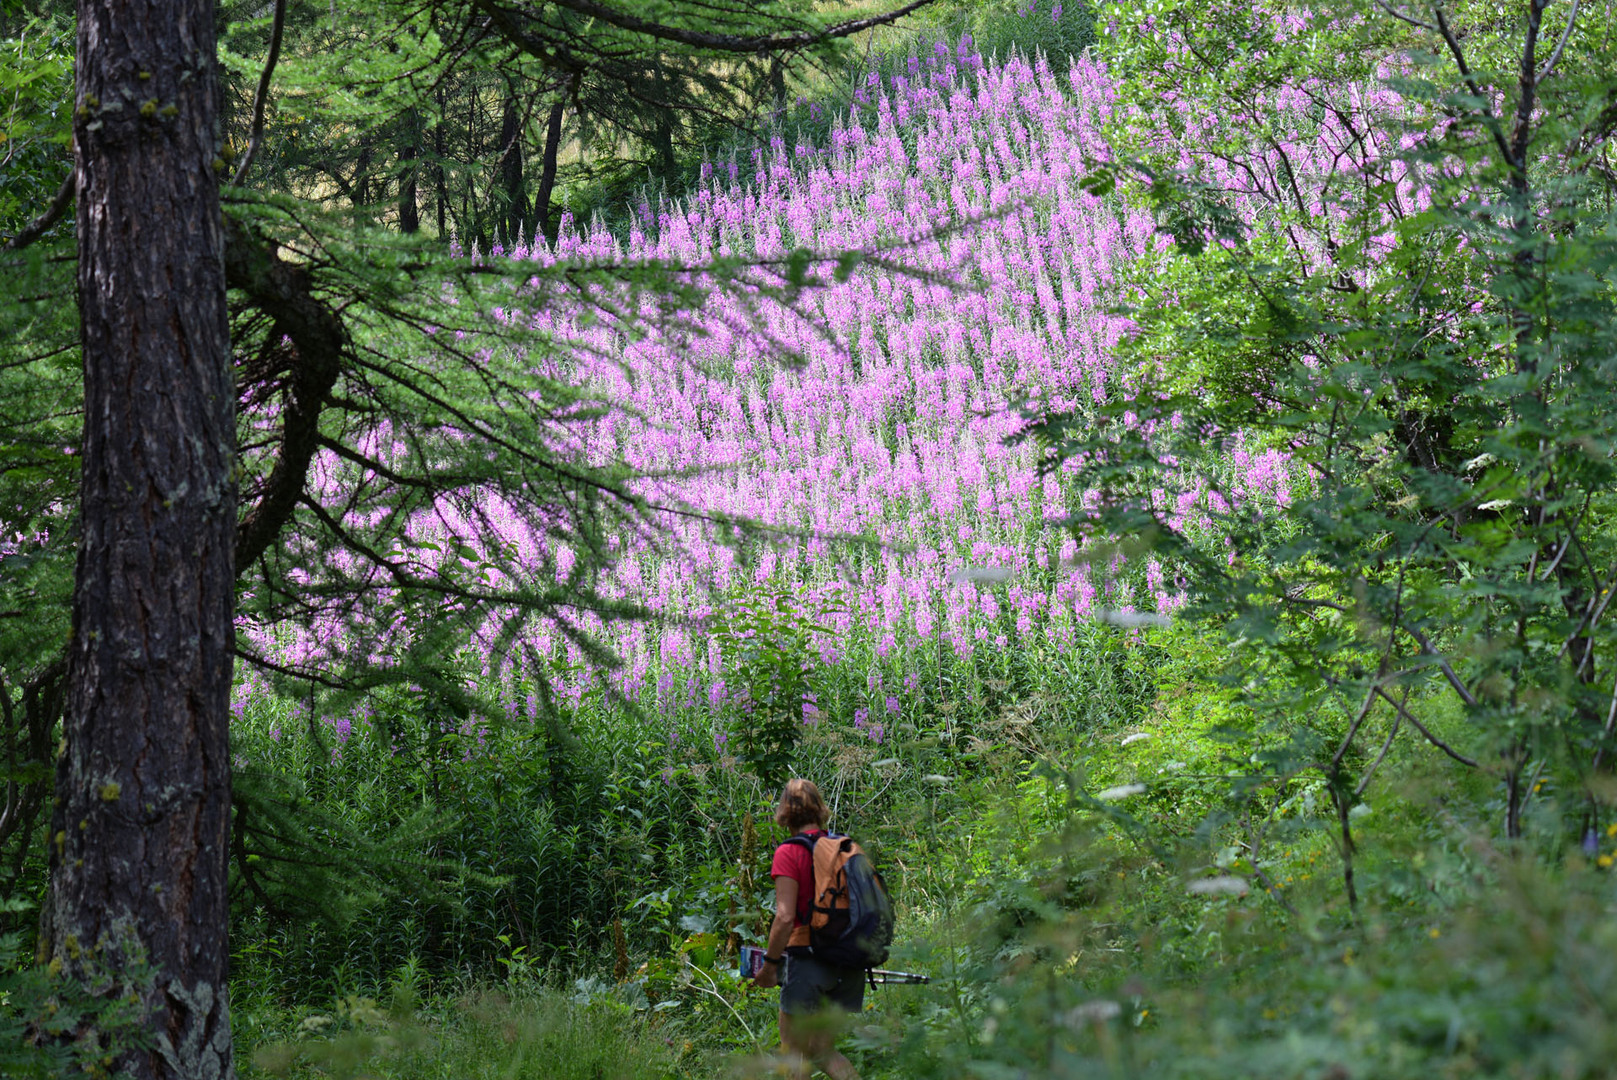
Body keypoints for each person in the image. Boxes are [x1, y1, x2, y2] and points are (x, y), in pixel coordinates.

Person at [751, 778, 863, 1080]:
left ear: (784, 812)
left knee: (794, 1053)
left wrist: (770, 966)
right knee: (823, 1050)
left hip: (809, 964)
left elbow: (785, 918)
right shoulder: (845, 847)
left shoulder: (789, 852)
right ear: (819, 808)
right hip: (850, 963)